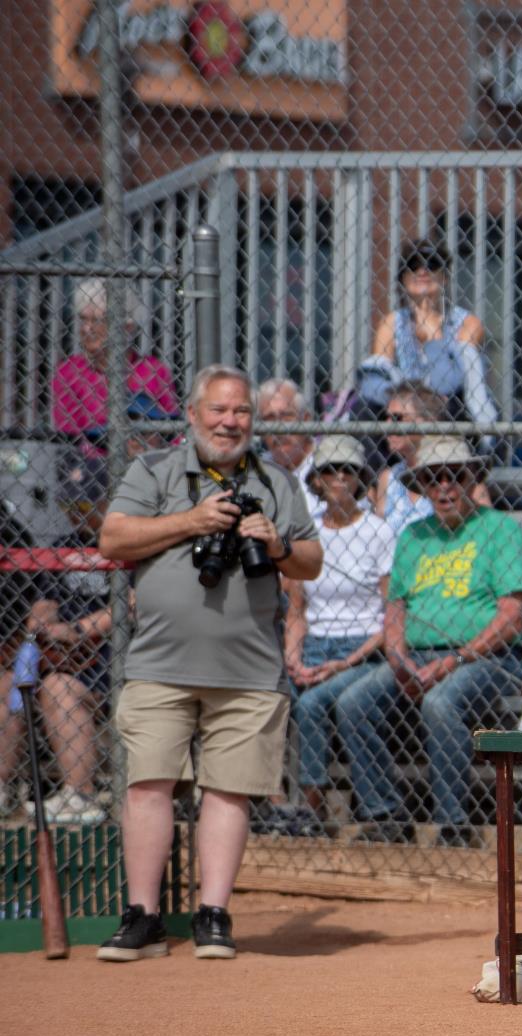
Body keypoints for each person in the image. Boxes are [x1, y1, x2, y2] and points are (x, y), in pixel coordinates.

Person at [93, 364, 324, 962]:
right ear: (192, 415)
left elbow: (311, 562)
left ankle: (213, 915)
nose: (230, 422)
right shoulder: (156, 471)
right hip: (159, 664)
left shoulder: (275, 480)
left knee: (230, 790)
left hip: (248, 670)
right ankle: (142, 917)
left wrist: (275, 545)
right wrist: (193, 522)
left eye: (241, 411)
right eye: (218, 410)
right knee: (148, 784)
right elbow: (113, 540)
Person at [338, 437, 522, 847]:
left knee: (441, 702)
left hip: (487, 659)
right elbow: (395, 611)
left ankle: (454, 824)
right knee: (354, 702)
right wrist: (397, 659)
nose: (443, 486)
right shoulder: (412, 536)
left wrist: (455, 660)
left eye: (455, 476)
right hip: (418, 657)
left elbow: (511, 618)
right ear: (421, 487)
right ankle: (386, 813)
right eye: (431, 478)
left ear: (473, 479)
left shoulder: (500, 528)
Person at [283, 436, 395, 833]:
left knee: (313, 704)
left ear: (361, 478)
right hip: (314, 645)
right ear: (316, 479)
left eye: (348, 470)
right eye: (330, 469)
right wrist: (292, 656)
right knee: (270, 692)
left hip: (362, 650)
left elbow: (391, 617)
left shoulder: (379, 532)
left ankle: (310, 811)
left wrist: (344, 662)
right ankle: (272, 803)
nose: (339, 477)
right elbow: (297, 610)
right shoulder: (307, 534)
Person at [0, 461, 115, 824]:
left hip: (107, 666)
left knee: (58, 688)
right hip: (64, 656)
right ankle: (1, 789)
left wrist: (79, 630)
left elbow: (132, 605)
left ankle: (81, 795)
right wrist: (42, 621)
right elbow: (45, 601)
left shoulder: (127, 541)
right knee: (8, 683)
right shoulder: (64, 546)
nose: (76, 514)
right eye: (70, 506)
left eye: (86, 505)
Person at [359, 240, 498, 429]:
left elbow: (449, 382)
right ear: (402, 278)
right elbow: (374, 384)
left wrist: (433, 337)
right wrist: (404, 401)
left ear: (444, 278)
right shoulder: (391, 323)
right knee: (364, 408)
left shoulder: (467, 323)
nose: (422, 271)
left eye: (432, 264)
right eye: (413, 265)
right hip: (402, 404)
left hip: (449, 407)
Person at [51, 280, 178, 452]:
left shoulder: (154, 371)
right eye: (83, 319)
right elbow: (68, 442)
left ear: (127, 326)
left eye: (97, 320)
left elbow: (173, 432)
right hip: (91, 469)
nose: (87, 328)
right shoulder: (69, 373)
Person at [256, 378, 322, 520]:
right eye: (269, 418)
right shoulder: (256, 470)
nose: (278, 428)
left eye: (286, 416)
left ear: (305, 420)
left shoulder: (328, 464)